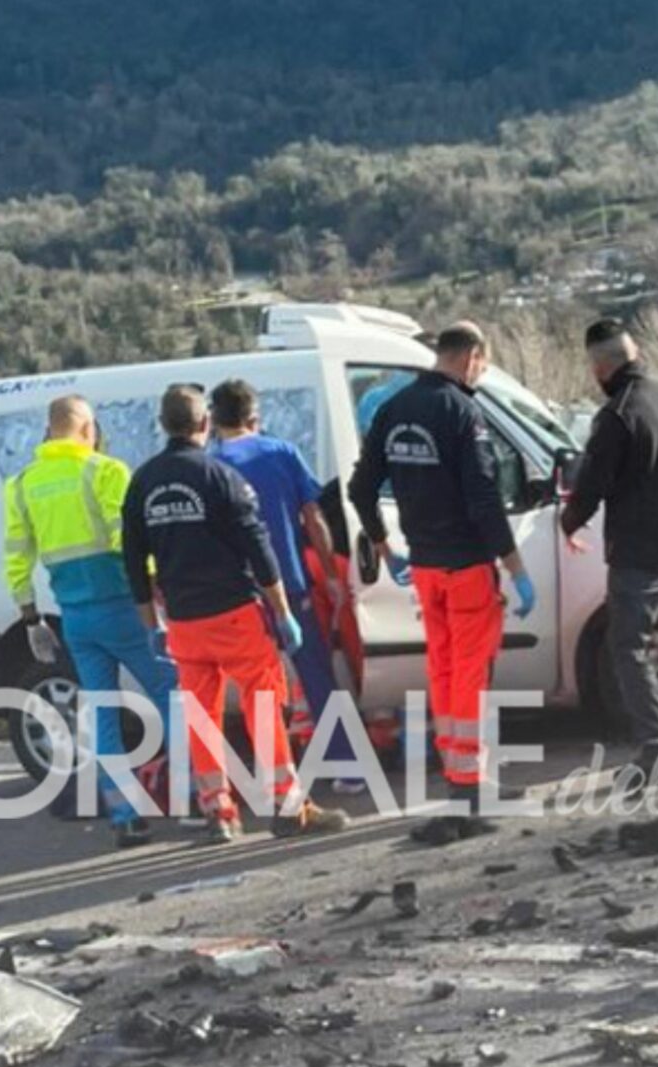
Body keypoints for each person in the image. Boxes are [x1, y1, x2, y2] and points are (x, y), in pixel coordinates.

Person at [123, 383, 347, 843]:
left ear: (164, 426)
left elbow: (133, 560)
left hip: (184, 621)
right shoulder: (220, 475)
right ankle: (289, 808)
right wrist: (282, 611)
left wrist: (152, 625)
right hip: (234, 614)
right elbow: (259, 548)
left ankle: (219, 813)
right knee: (263, 705)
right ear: (204, 423)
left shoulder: (142, 483)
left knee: (202, 717)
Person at [346, 320, 535, 808]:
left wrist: (386, 548)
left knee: (444, 670)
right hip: (468, 565)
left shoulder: (394, 408)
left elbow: (360, 488)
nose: (481, 373)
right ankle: (472, 784)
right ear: (472, 355)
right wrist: (515, 568)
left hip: (426, 568)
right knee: (471, 672)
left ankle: (458, 773)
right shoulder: (462, 411)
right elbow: (484, 499)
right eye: (484, 365)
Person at [3, 395, 177, 846]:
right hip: (122, 607)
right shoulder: (104, 471)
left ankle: (123, 816)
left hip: (74, 616)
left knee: (101, 715)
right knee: (169, 695)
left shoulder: (21, 485)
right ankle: (208, 797)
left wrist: (30, 618)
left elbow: (17, 559)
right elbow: (129, 544)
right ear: (87, 429)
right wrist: (155, 590)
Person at [561, 318, 658, 782]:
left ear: (598, 368)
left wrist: (570, 523)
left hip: (636, 556)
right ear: (636, 350)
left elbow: (592, 483)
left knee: (628, 649)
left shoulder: (618, 415)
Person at [210, 378, 367, 782]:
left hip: (239, 594)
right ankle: (346, 767)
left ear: (214, 420)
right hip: (291, 584)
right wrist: (331, 575)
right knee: (316, 675)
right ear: (254, 416)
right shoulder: (282, 452)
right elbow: (313, 518)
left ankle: (275, 775)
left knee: (255, 689)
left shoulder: (211, 466)